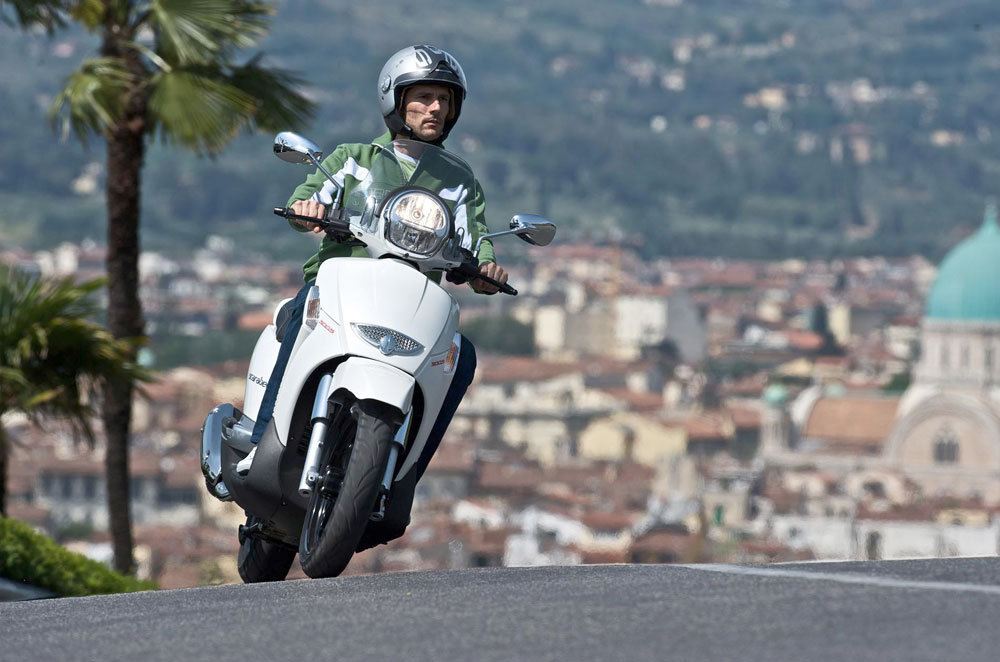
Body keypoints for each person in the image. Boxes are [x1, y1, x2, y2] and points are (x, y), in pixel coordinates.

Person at [242, 45, 507, 552]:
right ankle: (261, 440)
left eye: (444, 100)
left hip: (411, 304)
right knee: (300, 315)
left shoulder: (460, 183)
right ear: (395, 100)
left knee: (463, 357)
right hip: (345, 287)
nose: (435, 108)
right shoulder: (353, 159)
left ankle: (404, 474)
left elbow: (478, 247)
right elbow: (307, 199)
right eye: (423, 97)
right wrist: (308, 207)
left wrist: (487, 270)